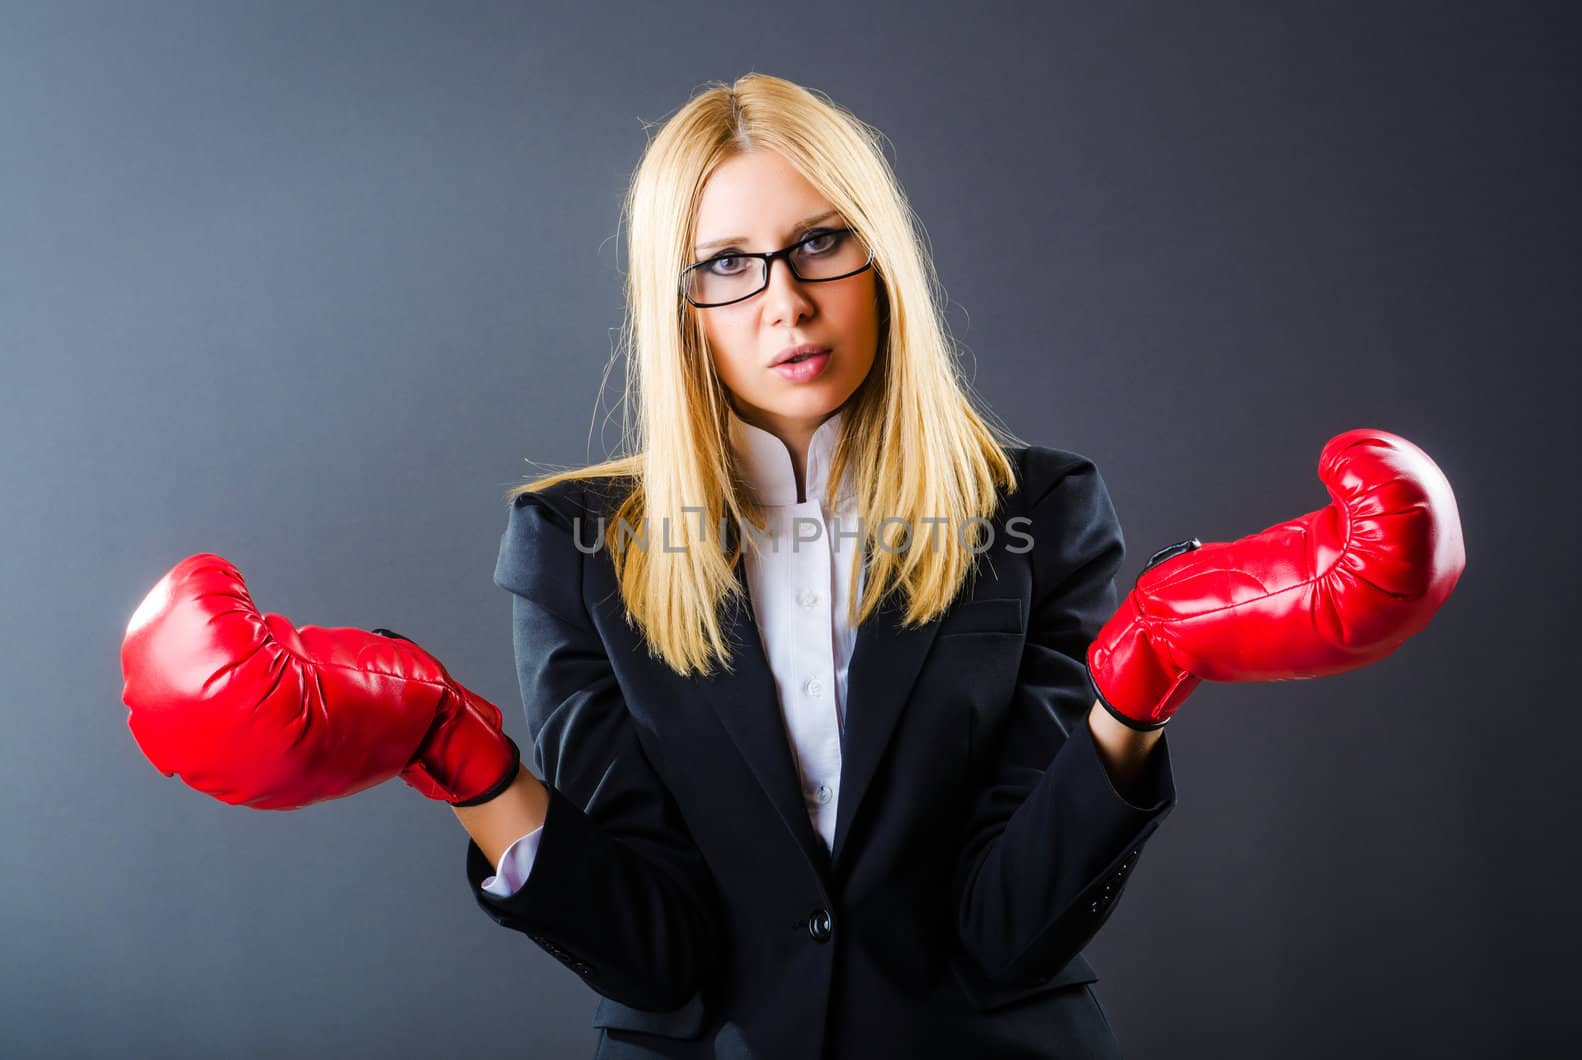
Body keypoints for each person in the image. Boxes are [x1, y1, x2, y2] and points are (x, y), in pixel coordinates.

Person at [120, 73, 1464, 1059]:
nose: (784, 298)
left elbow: (1008, 933)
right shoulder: (575, 546)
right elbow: (657, 956)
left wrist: (1145, 681)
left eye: (820, 241)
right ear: (678, 302)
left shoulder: (1039, 511)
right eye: (726, 263)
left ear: (880, 256)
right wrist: (457, 757)